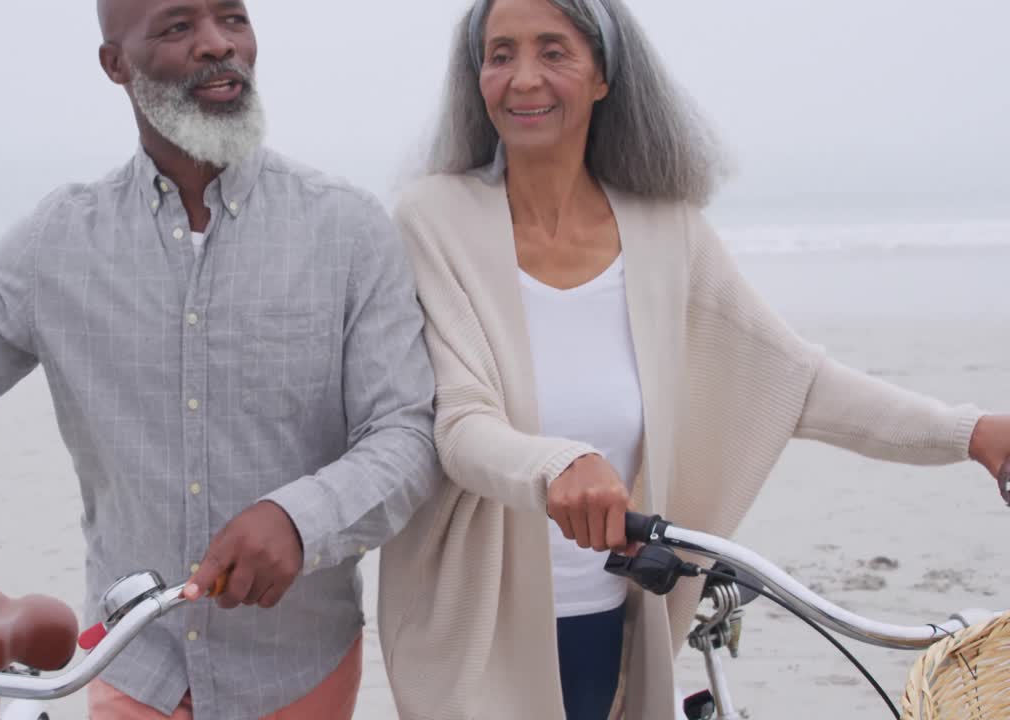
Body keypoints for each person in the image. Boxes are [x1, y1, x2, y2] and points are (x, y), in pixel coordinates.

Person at [0, 1, 441, 718]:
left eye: (233, 18)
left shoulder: (349, 231)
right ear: (115, 64)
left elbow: (406, 436)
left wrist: (298, 518)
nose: (216, 45)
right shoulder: (59, 242)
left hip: (298, 667)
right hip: (134, 666)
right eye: (177, 27)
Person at [375, 0, 1010, 718]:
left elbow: (797, 384)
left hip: (617, 620)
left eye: (554, 52)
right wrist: (555, 464)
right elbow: (459, 423)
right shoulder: (431, 219)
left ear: (605, 74)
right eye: (500, 54)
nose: (523, 79)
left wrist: (972, 433)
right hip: (472, 633)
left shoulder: (666, 231)